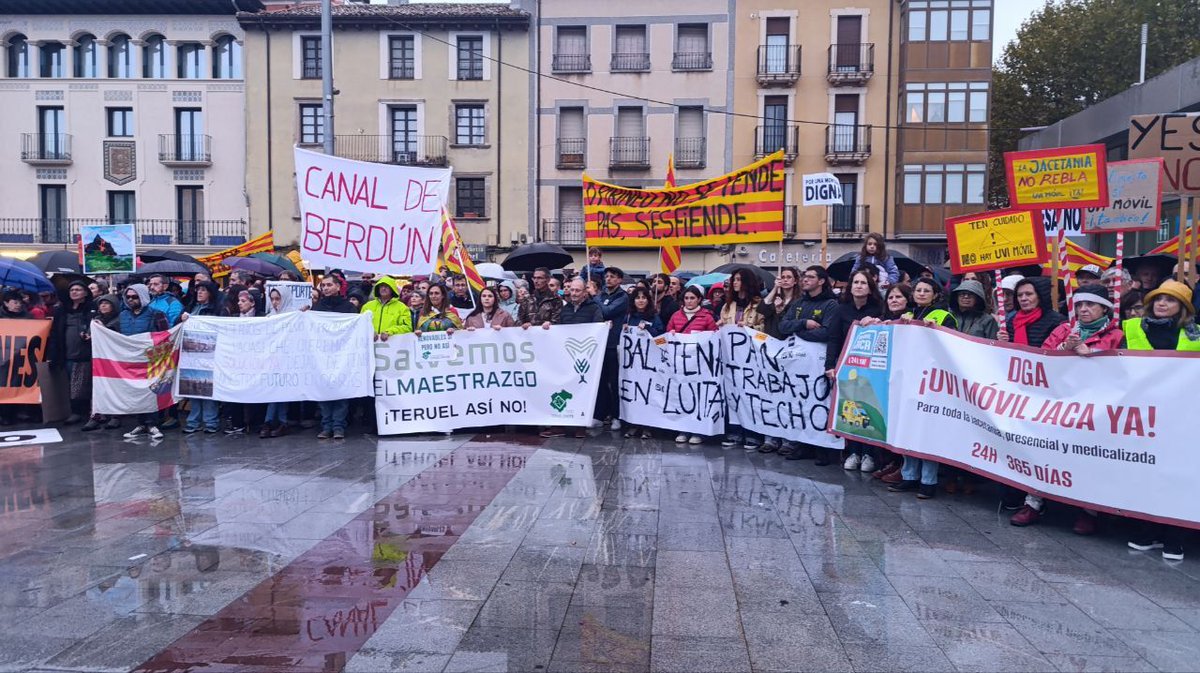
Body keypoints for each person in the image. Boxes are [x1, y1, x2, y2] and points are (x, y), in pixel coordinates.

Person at [1005, 284, 1124, 531]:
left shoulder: (1116, 335)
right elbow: (1042, 357)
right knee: (1043, 449)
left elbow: (1121, 370)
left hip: (1094, 408)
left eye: (1090, 304)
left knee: (1088, 456)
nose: (1083, 309)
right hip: (1058, 402)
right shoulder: (1064, 330)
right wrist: (1064, 349)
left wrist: (1091, 353)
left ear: (1104, 308)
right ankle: (1033, 502)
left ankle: (1089, 511)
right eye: (1080, 305)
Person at [1120, 280, 1198, 561]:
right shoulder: (1131, 328)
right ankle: (1148, 530)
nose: (1162, 304)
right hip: (1142, 416)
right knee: (1145, 474)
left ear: (1183, 308)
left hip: (1181, 419)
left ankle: (1175, 537)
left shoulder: (1196, 335)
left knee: (1176, 476)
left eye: (1171, 300)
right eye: (1158, 299)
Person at [824, 270, 883, 471]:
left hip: (871, 369)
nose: (859, 286)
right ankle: (853, 452)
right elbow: (833, 339)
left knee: (869, 409)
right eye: (855, 282)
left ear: (870, 288)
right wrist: (830, 365)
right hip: (848, 367)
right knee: (850, 410)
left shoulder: (878, 309)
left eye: (863, 283)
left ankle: (869, 454)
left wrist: (876, 322)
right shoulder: (841, 310)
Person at [541, 278, 605, 439]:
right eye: (572, 290)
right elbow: (559, 328)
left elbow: (598, 328)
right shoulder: (565, 309)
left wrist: (605, 327)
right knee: (562, 388)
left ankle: (580, 425)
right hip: (566, 357)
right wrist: (549, 327)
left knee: (582, 390)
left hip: (585, 359)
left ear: (585, 293)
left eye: (578, 290)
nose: (574, 293)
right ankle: (559, 424)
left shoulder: (594, 308)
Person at [112, 284, 169, 440]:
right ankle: (141, 423)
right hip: (131, 360)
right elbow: (113, 331)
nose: (131, 300)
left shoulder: (156, 314)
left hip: (151, 360)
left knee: (151, 392)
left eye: (134, 296)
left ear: (143, 297)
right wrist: (98, 325)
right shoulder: (123, 315)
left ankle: (152, 424)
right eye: (128, 297)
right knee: (135, 392)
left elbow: (166, 335)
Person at [718, 268, 766, 450]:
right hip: (732, 359)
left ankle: (752, 433)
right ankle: (735, 432)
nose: (735, 283)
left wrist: (750, 327)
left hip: (751, 358)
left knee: (751, 394)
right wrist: (720, 325)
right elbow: (723, 324)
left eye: (738, 279)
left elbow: (765, 327)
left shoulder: (759, 304)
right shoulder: (728, 305)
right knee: (733, 394)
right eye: (734, 280)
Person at [664, 286, 718, 444]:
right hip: (680, 364)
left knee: (698, 395)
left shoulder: (707, 317)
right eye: (686, 298)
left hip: (700, 365)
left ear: (699, 299)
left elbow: (714, 336)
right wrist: (671, 334)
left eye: (692, 298)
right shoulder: (676, 316)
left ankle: (698, 430)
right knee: (683, 396)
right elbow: (668, 333)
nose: (689, 301)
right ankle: (684, 429)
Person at [310, 275, 358, 439]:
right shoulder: (317, 307)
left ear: (338, 287)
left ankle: (338, 426)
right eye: (323, 285)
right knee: (324, 392)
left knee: (340, 392)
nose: (325, 288)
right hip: (322, 356)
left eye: (329, 285)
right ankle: (326, 426)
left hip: (342, 355)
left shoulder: (348, 307)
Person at [181, 281, 225, 435]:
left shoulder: (216, 310)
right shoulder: (191, 308)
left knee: (207, 389)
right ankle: (193, 422)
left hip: (209, 355)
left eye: (203, 290)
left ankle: (210, 422)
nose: (199, 292)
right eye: (198, 290)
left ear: (210, 293)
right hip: (191, 354)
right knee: (193, 389)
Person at [620, 287, 664, 440]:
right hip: (633, 366)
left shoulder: (654, 317)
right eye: (637, 298)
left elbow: (662, 340)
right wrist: (624, 330)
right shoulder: (628, 317)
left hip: (649, 365)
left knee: (647, 392)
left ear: (648, 300)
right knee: (633, 393)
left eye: (643, 297)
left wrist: (649, 329)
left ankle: (647, 426)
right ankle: (633, 424)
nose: (640, 300)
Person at [50, 281, 95, 425]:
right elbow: (55, 332)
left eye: (78, 289)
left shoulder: (92, 308)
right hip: (68, 353)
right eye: (72, 290)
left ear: (85, 293)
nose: (74, 292)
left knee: (85, 384)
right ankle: (76, 411)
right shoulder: (62, 310)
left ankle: (86, 412)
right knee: (72, 383)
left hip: (86, 353)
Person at [81, 293, 124, 431]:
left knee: (114, 387)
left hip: (113, 359)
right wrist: (86, 335)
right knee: (97, 387)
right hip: (97, 359)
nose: (103, 306)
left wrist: (104, 329)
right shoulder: (96, 320)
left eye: (106, 303)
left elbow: (118, 337)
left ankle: (115, 416)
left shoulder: (119, 320)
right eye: (101, 303)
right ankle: (97, 415)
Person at [596, 267, 630, 430]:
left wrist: (595, 298)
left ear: (620, 280)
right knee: (600, 381)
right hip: (600, 344)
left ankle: (617, 415)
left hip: (614, 344)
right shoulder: (601, 295)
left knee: (614, 382)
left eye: (613, 277)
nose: (608, 279)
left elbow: (607, 311)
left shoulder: (623, 297)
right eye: (607, 276)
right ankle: (600, 414)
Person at [360, 276, 413, 341]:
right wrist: (370, 331)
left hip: (392, 344)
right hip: (369, 343)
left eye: (386, 286)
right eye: (381, 286)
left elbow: (407, 327)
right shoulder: (367, 306)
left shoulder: (402, 307)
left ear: (392, 289)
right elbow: (360, 324)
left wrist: (389, 332)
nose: (383, 288)